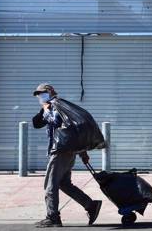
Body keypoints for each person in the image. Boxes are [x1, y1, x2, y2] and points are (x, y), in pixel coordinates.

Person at [31, 83, 102, 228]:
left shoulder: (55, 106)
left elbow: (57, 122)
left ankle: (53, 217)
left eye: (42, 93)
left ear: (50, 92)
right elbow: (39, 124)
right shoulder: (56, 105)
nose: (39, 96)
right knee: (64, 184)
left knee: (50, 185)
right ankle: (90, 205)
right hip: (67, 152)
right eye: (38, 94)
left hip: (59, 152)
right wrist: (82, 152)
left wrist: (46, 110)